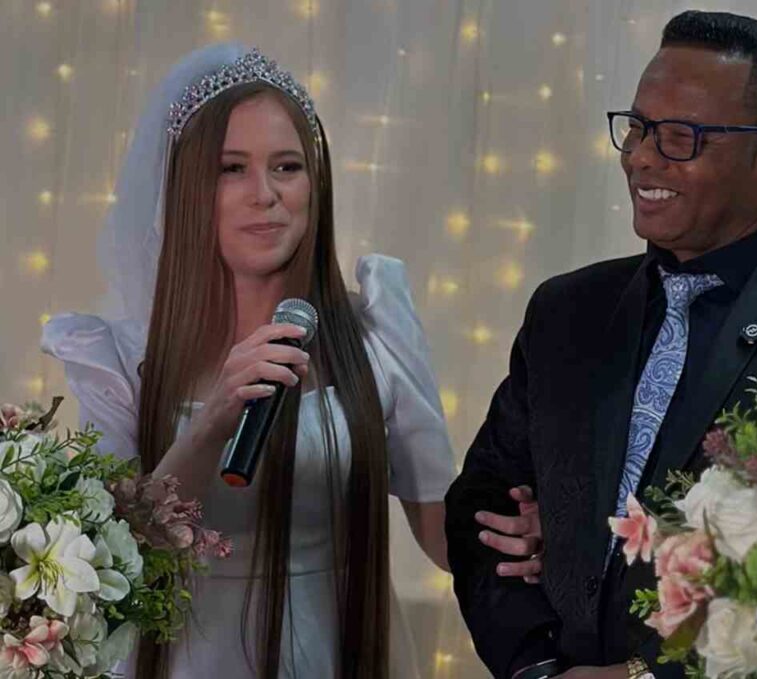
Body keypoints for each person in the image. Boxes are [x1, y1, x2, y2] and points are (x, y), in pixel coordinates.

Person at [445, 10, 757, 679]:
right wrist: (539, 665)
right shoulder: (567, 310)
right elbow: (484, 504)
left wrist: (646, 677)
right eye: (638, 127)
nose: (641, 157)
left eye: (681, 137)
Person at [41, 43, 528, 679]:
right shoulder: (121, 359)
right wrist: (212, 420)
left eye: (287, 167)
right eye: (232, 169)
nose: (265, 194)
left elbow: (443, 536)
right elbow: (113, 564)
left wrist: (520, 537)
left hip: (333, 656)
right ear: (188, 190)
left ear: (315, 184)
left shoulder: (373, 336)